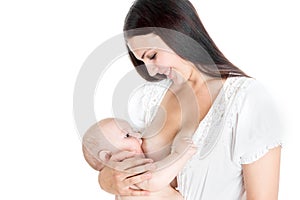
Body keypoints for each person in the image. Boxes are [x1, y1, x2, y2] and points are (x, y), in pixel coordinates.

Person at [97, 0, 283, 199]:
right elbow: (114, 158)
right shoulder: (148, 100)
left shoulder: (247, 100)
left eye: (152, 56)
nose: (151, 70)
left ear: (179, 34)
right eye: (142, 61)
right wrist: (106, 180)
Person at [82, 117, 197, 200]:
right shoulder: (126, 169)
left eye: (135, 131)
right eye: (127, 135)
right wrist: (180, 154)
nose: (139, 136)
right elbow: (152, 180)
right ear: (107, 156)